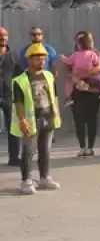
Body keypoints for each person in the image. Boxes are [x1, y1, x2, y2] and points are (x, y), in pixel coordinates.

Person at [12, 43, 62, 195]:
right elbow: (18, 103)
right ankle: (26, 181)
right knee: (28, 151)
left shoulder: (49, 75)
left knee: (45, 150)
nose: (42, 61)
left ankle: (44, 178)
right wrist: (22, 121)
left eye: (44, 58)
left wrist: (57, 115)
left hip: (48, 116)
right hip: (32, 119)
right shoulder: (20, 80)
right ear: (29, 60)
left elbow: (54, 96)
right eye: (39, 59)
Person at [61, 32, 100, 158]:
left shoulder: (74, 56)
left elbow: (98, 68)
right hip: (83, 91)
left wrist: (78, 77)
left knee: (89, 120)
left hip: (87, 91)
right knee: (82, 121)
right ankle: (85, 147)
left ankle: (87, 147)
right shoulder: (93, 54)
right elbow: (67, 72)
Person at [0, 27, 23, 166]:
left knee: (13, 128)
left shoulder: (14, 55)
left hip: (9, 96)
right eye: (0, 35)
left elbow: (20, 75)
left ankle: (14, 157)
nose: (3, 37)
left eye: (5, 35)